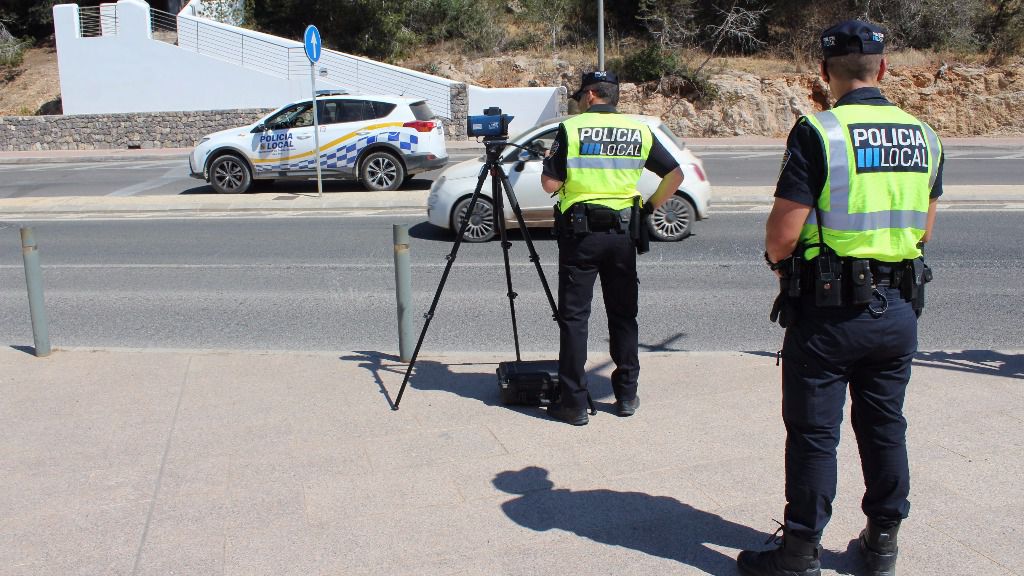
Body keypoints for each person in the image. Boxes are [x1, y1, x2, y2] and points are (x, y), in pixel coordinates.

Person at [737, 20, 943, 576]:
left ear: (825, 74)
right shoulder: (924, 135)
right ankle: (881, 547)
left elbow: (782, 235)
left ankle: (799, 551)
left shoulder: (819, 133)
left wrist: (783, 271)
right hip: (898, 309)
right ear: (884, 69)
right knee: (885, 427)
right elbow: (924, 229)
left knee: (813, 434)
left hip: (828, 315)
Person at [540, 70, 684, 426]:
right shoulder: (639, 130)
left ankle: (573, 403)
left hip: (581, 236)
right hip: (623, 234)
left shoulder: (571, 129)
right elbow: (675, 175)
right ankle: (626, 395)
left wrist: (549, 161)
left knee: (575, 319)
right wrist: (648, 210)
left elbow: (549, 184)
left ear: (590, 96)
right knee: (623, 315)